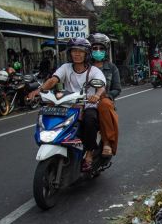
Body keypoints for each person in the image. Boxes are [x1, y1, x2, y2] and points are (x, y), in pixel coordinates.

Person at [27, 38, 106, 172]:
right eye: (74, 51)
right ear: (70, 53)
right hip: (67, 105)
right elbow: (53, 81)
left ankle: (89, 153)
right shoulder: (65, 68)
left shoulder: (94, 71)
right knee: (50, 115)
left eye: (80, 51)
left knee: (90, 120)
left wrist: (97, 95)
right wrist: (38, 91)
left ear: (86, 54)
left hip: (87, 105)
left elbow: (101, 86)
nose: (77, 54)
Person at [89, 33, 121, 158]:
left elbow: (117, 89)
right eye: (94, 48)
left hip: (103, 101)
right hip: (85, 101)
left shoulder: (112, 68)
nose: (98, 51)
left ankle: (107, 142)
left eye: (101, 49)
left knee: (104, 104)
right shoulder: (84, 67)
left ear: (106, 51)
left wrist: (106, 96)